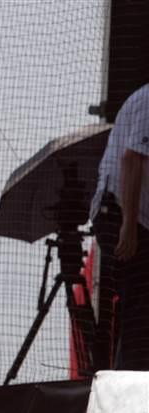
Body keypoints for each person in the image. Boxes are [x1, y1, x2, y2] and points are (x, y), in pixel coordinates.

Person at [90, 83, 149, 370]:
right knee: (140, 303)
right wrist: (128, 225)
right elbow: (132, 160)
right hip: (120, 213)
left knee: (138, 303)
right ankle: (133, 384)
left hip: (136, 217)